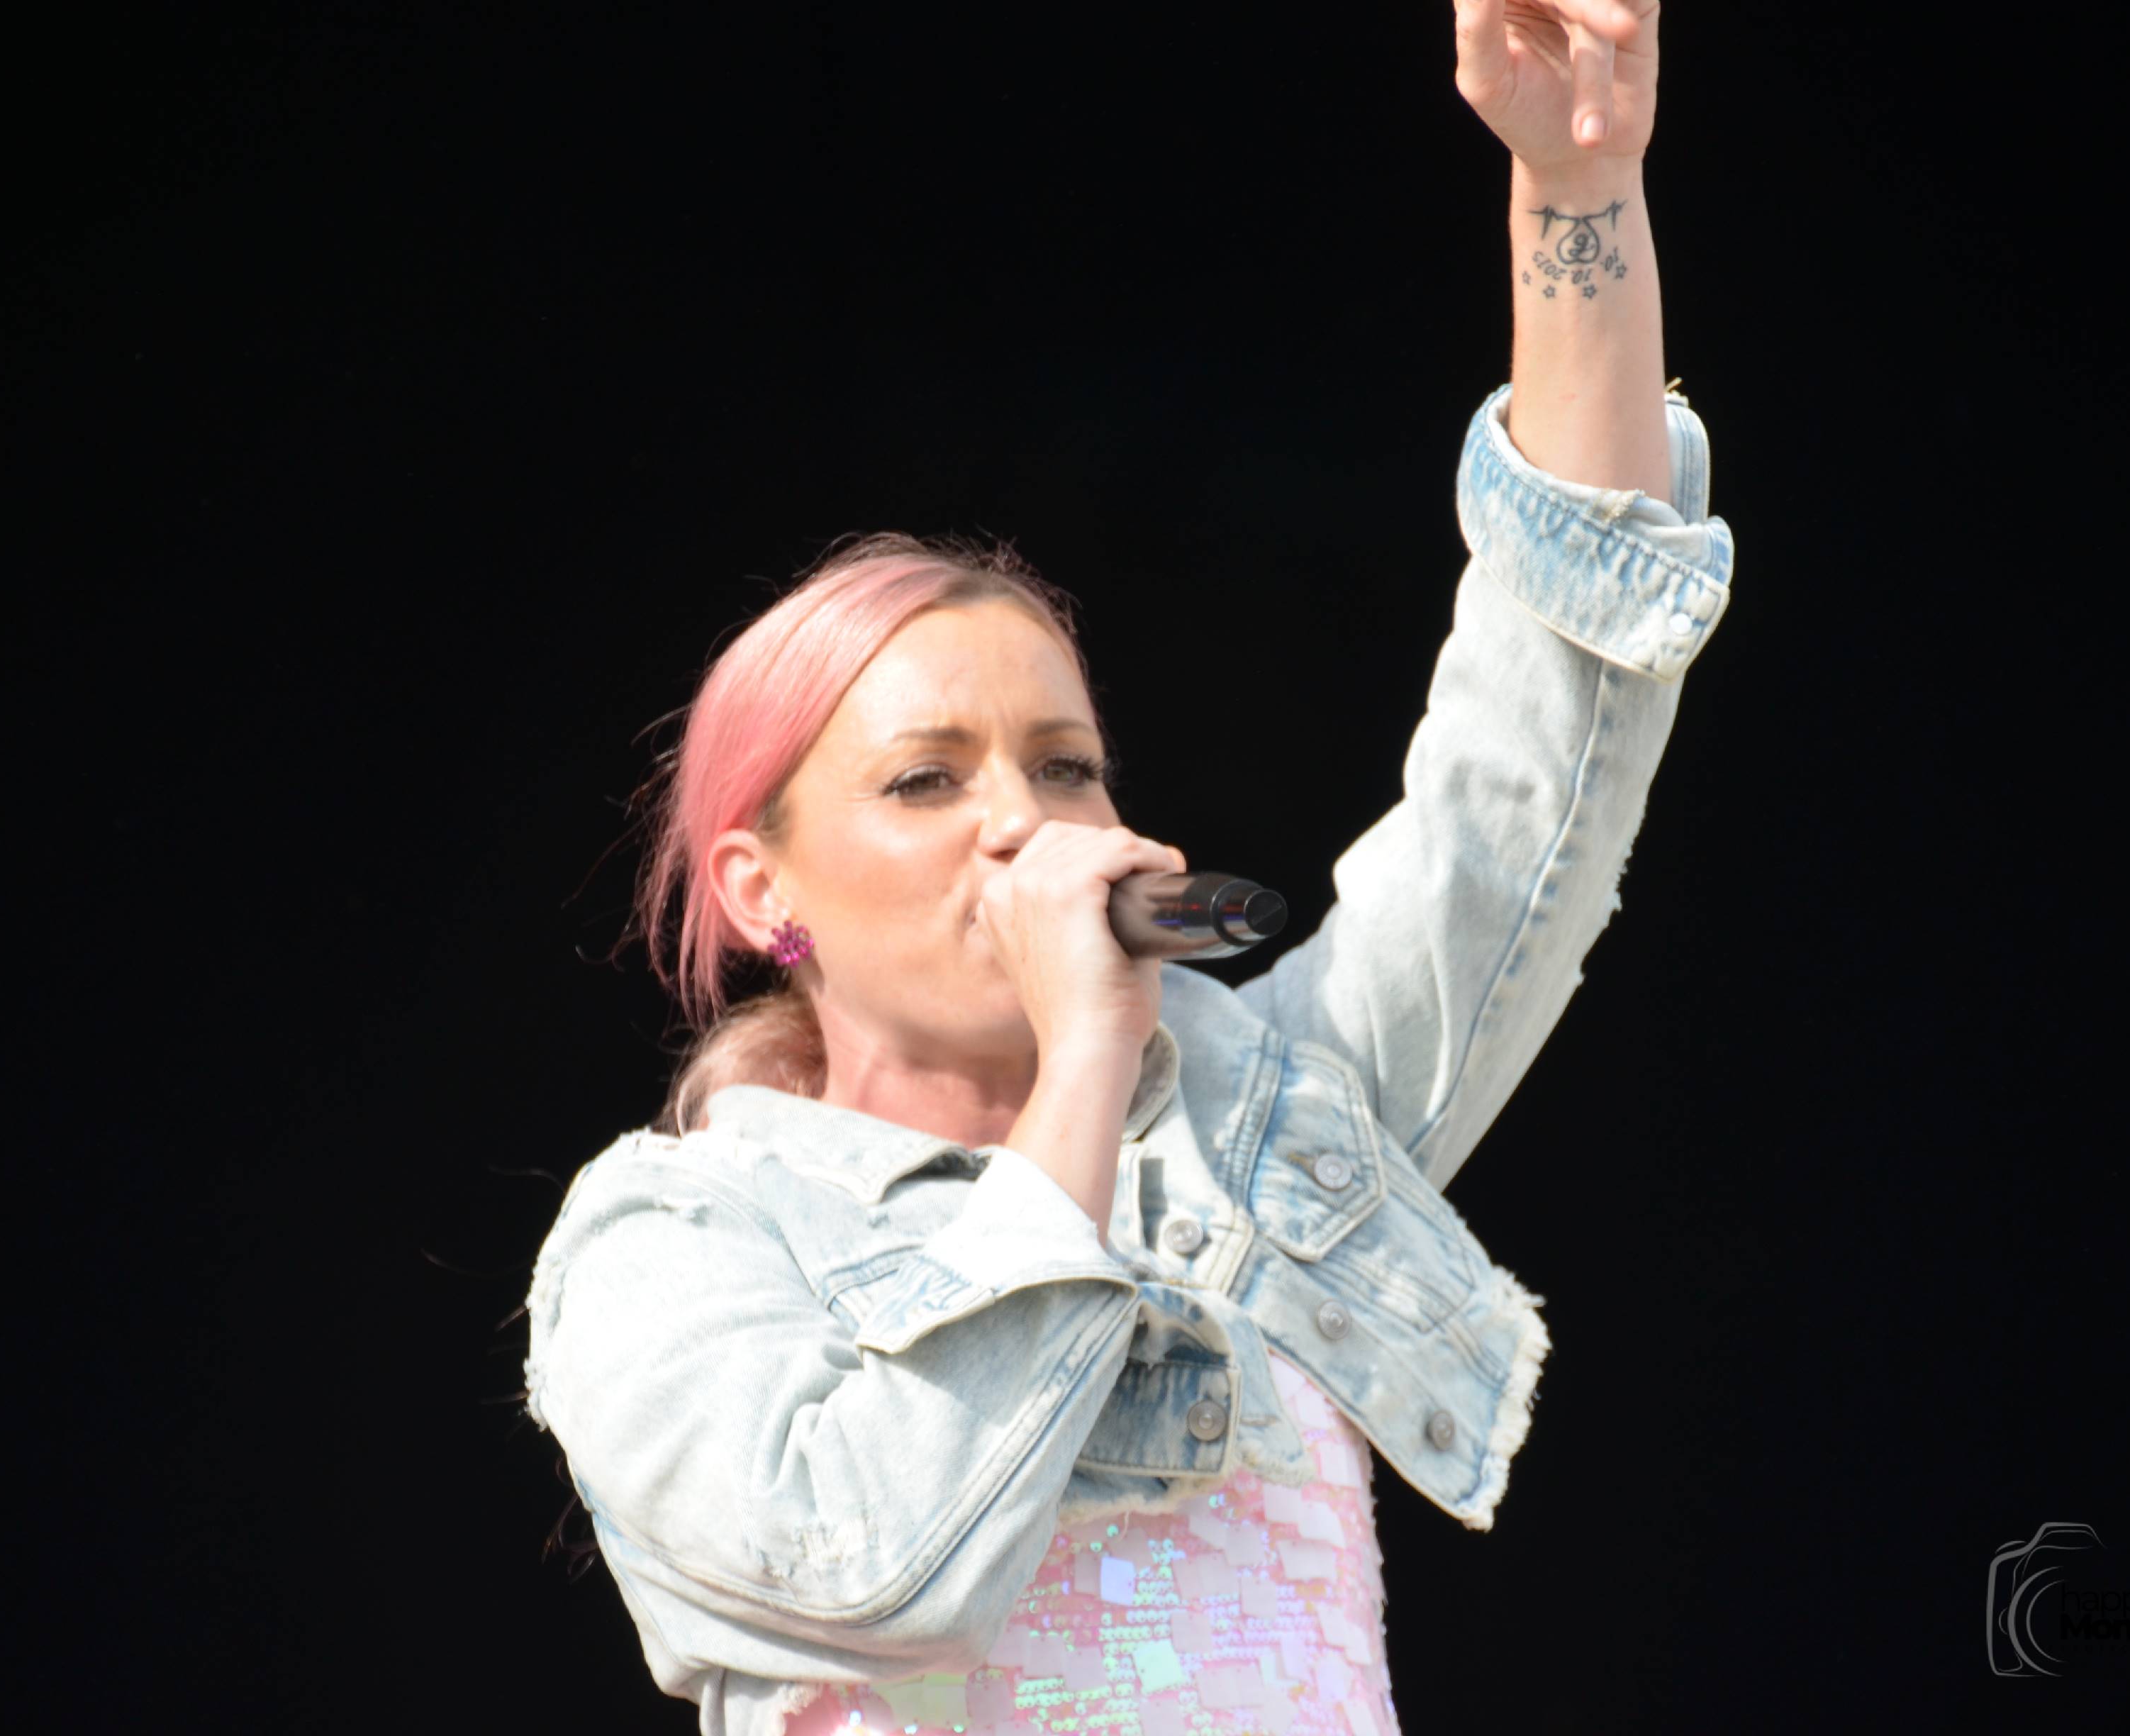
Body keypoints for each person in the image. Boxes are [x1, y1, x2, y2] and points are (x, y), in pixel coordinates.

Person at [520, 1, 1732, 1730]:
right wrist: (1086, 1069)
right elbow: (883, 1570)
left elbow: (1541, 742)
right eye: (927, 780)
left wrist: (1578, 184)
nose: (1022, 819)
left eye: (1064, 766)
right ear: (759, 891)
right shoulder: (683, 1235)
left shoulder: (1265, 1105)